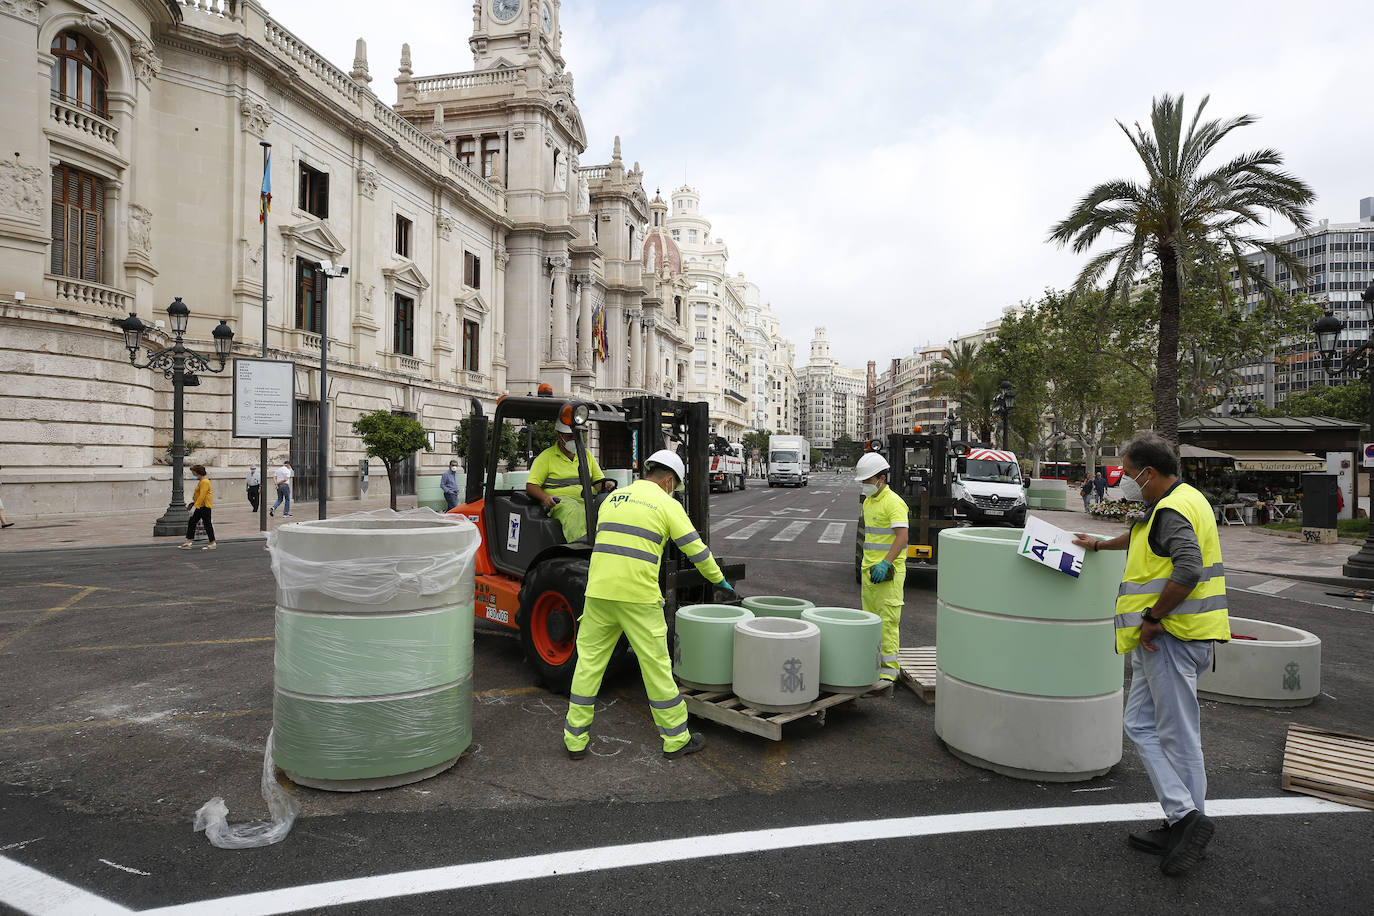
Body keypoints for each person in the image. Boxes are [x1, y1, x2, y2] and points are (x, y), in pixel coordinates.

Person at [1072, 433, 1230, 877]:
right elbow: (1145, 534)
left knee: (1177, 735)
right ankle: (1183, 818)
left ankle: (1187, 822)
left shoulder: (1172, 509)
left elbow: (1188, 568)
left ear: (1149, 473)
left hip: (1171, 638)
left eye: (1127, 472)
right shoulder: (1182, 499)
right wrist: (1099, 544)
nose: (1124, 480)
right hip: (1178, 638)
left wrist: (1154, 617)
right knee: (1140, 723)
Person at [563, 449, 733, 761]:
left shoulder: (612, 499)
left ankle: (574, 739)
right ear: (669, 481)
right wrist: (719, 580)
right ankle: (676, 738)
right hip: (638, 598)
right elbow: (695, 549)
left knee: (588, 665)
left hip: (598, 592)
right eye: (676, 486)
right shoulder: (667, 504)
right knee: (655, 667)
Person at [854, 451, 909, 683]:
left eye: (867, 481)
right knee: (870, 620)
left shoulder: (894, 503)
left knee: (887, 622)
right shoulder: (868, 502)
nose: (864, 485)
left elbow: (902, 536)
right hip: (870, 573)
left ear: (881, 479)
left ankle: (889, 670)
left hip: (887, 574)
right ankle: (872, 663)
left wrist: (886, 562)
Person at [526, 421, 615, 542]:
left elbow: (598, 482)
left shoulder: (586, 455)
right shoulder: (546, 457)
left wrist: (606, 487)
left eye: (576, 435)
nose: (574, 439)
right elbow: (531, 485)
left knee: (610, 508)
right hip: (560, 502)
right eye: (569, 436)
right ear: (559, 435)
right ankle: (581, 548)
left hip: (586, 500)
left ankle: (608, 545)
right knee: (575, 511)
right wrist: (546, 498)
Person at [179, 464, 216, 551]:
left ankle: (212, 542)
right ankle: (188, 542)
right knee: (192, 522)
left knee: (207, 524)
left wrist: (195, 507)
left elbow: (202, 495)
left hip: (204, 506)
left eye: (193, 472)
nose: (193, 474)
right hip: (200, 506)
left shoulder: (205, 482)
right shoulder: (202, 482)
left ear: (197, 472)